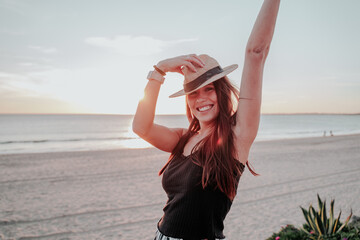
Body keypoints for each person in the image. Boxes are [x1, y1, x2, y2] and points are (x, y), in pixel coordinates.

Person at [132, 0, 280, 239]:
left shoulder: (237, 135)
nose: (201, 99)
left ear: (220, 92)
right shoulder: (182, 137)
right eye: (193, 93)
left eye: (209, 89)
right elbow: (141, 127)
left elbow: (256, 53)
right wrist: (159, 70)